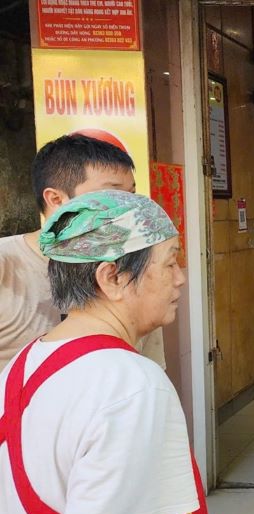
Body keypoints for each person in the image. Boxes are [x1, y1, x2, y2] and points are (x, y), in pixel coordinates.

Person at [0, 190, 212, 514]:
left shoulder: (23, 362)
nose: (180, 279)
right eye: (170, 263)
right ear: (111, 277)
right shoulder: (131, 386)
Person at [0, 134, 166, 373]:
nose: (128, 208)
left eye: (131, 195)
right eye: (113, 195)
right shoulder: (7, 265)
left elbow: (150, 372)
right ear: (56, 199)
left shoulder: (133, 270)